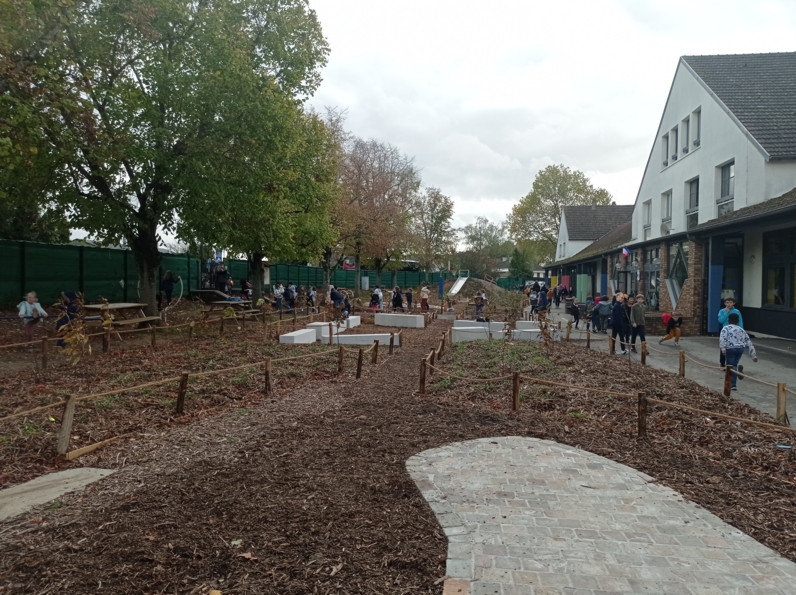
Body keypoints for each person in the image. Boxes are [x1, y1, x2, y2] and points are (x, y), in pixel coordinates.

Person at [719, 312, 757, 391]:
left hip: (730, 348)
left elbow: (722, 339)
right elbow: (748, 341)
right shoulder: (741, 329)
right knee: (734, 364)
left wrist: (723, 348)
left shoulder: (726, 328)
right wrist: (753, 355)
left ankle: (732, 384)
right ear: (738, 321)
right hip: (740, 348)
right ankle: (738, 373)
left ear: (728, 320)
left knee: (730, 366)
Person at [718, 297, 743, 368]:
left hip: (735, 331)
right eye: (727, 302)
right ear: (725, 303)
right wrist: (726, 312)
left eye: (731, 302)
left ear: (733, 303)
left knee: (733, 347)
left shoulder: (737, 311)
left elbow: (740, 321)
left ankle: (731, 364)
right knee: (723, 346)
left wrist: (741, 330)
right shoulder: (722, 311)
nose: (729, 304)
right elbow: (720, 320)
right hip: (725, 331)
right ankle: (722, 363)